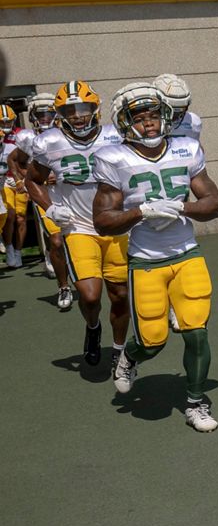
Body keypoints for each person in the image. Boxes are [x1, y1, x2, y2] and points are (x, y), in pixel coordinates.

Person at [91, 83, 218, 429]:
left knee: (197, 331)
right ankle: (129, 357)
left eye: (154, 116)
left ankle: (196, 403)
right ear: (124, 123)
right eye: (140, 117)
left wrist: (182, 206)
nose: (149, 124)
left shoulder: (186, 148)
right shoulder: (113, 157)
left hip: (186, 253)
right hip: (145, 259)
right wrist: (141, 212)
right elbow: (103, 222)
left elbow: (214, 204)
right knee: (152, 341)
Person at [26, 80, 130, 367]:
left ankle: (119, 348)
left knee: (120, 294)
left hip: (116, 225)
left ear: (95, 109)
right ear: (60, 114)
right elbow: (31, 180)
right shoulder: (50, 142)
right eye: (70, 110)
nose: (77, 115)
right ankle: (93, 327)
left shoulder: (116, 136)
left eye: (83, 108)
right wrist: (50, 207)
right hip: (78, 227)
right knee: (90, 295)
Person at [8, 93, 73, 304]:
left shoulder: (67, 134)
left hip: (72, 194)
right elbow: (15, 159)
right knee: (56, 241)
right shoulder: (29, 139)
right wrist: (23, 179)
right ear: (33, 115)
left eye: (49, 114)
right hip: (46, 195)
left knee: (72, 240)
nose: (45, 119)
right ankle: (64, 287)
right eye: (40, 114)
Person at [1, 104, 25, 268]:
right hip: (4, 180)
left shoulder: (21, 136)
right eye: (2, 123)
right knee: (9, 216)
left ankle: (18, 251)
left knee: (21, 217)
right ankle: (9, 248)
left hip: (19, 179)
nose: (6, 126)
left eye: (9, 122)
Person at [153, 74, 202, 142]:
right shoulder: (145, 122)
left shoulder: (193, 122)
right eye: (171, 111)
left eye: (180, 112)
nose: (175, 117)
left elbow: (195, 148)